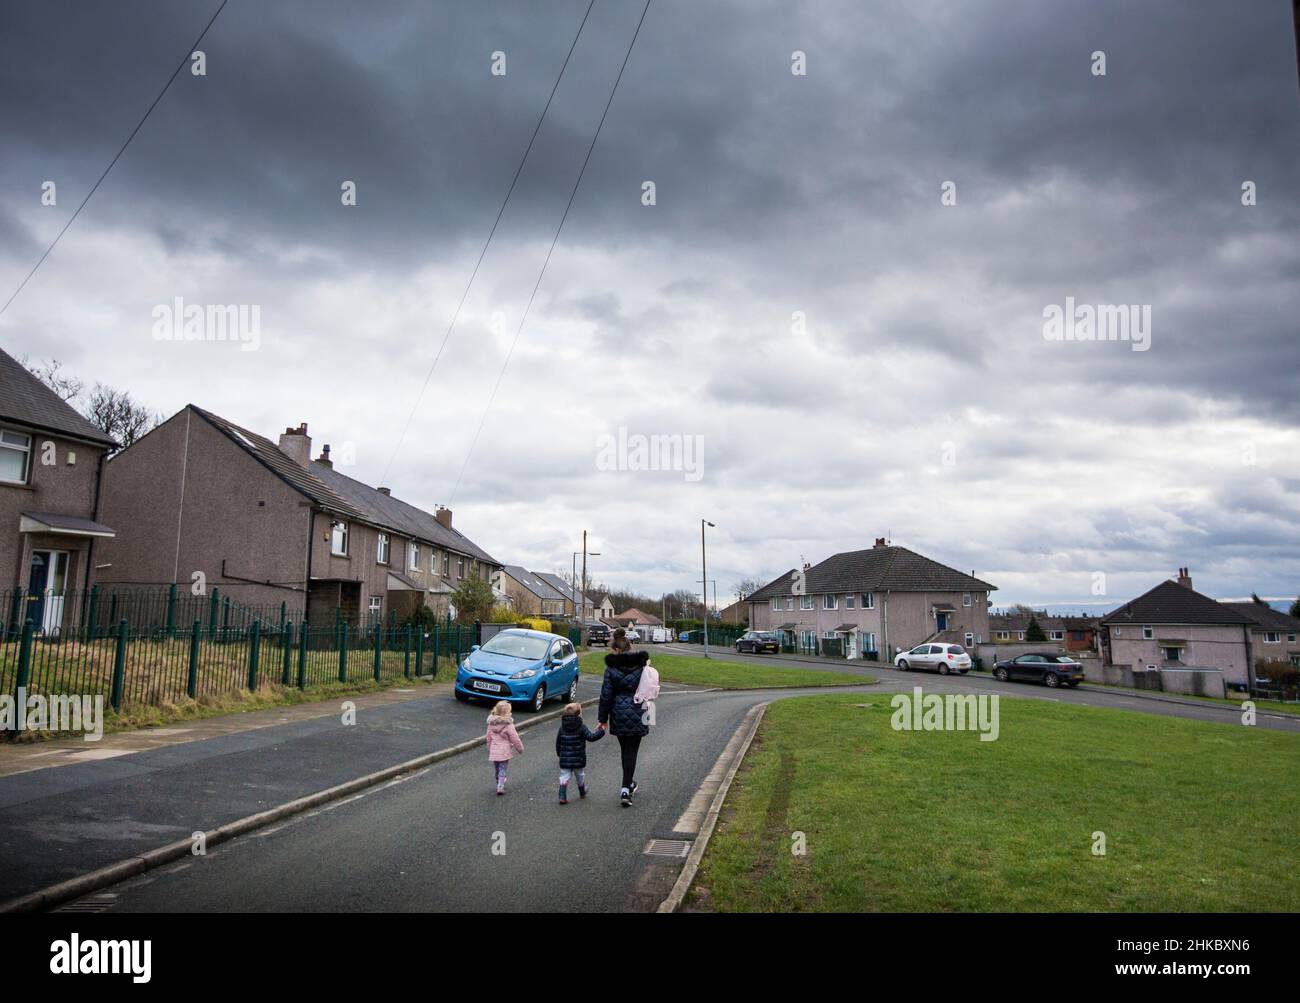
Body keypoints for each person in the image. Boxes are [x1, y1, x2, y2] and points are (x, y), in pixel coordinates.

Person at [598, 628, 651, 807]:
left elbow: (606, 695)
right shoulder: (642, 666)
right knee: (632, 752)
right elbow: (650, 689)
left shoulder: (611, 669)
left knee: (624, 750)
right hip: (639, 710)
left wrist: (602, 718)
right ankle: (626, 787)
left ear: (616, 650)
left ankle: (627, 786)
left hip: (619, 713)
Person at [555, 701, 605, 803]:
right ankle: (582, 791)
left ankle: (562, 795)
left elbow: (558, 742)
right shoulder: (581, 727)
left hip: (565, 758)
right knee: (580, 775)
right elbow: (591, 737)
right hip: (578, 758)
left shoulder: (562, 728)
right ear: (579, 715)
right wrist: (601, 731)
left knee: (564, 775)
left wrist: (559, 753)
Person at [485, 700, 524, 795]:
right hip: (504, 751)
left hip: (494, 751)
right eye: (509, 711)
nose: (511, 713)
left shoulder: (491, 724)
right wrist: (520, 748)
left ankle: (498, 780)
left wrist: (490, 748)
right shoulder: (508, 724)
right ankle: (500, 785)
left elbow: (488, 737)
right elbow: (515, 738)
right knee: (503, 768)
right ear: (506, 713)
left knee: (497, 768)